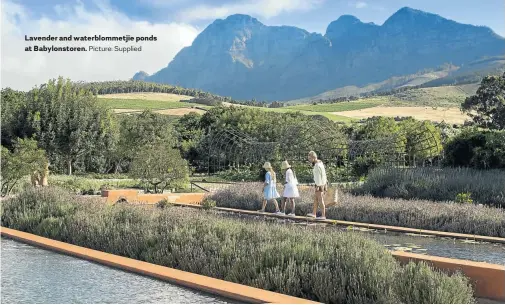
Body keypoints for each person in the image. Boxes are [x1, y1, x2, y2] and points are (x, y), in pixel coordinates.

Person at [307, 151, 327, 220]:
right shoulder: (320, 163)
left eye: (310, 158)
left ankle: (323, 215)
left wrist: (317, 186)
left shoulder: (317, 165)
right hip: (322, 183)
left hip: (319, 184)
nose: (309, 160)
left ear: (313, 157)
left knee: (320, 200)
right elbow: (324, 175)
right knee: (315, 199)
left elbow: (318, 176)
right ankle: (314, 213)